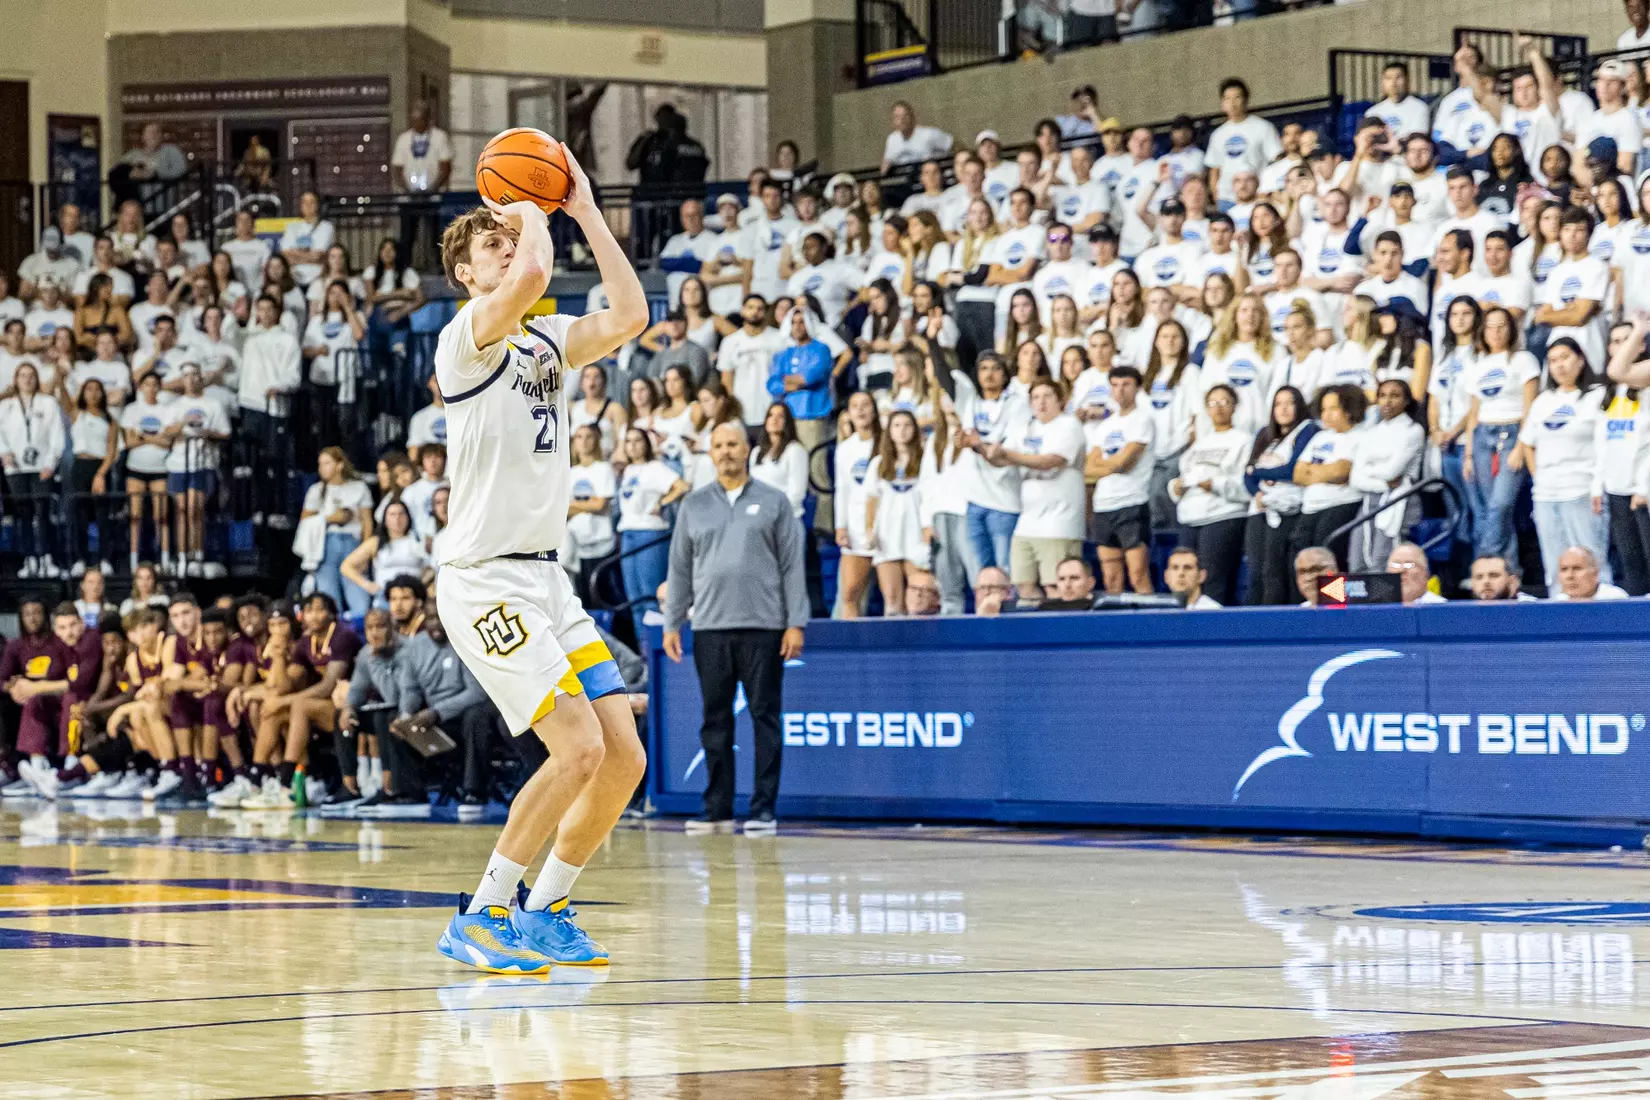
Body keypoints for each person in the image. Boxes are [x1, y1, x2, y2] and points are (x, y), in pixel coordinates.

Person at [663, 422, 806, 835]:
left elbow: (791, 567)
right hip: (709, 627)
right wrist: (673, 621)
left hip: (764, 627)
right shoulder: (693, 504)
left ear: (748, 450)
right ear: (710, 453)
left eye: (733, 444)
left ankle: (763, 809)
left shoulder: (774, 501)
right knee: (715, 720)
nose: (726, 451)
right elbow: (680, 567)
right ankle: (718, 809)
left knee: (765, 717)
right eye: (719, 445)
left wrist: (795, 622)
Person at [1520, 338, 1608, 593]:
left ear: (1581, 359)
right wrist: (1539, 479)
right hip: (1546, 494)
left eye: (1565, 357)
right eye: (1553, 360)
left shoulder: (1597, 396)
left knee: (1591, 563)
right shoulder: (1543, 401)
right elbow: (1527, 442)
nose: (1560, 366)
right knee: (1555, 566)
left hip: (1582, 489)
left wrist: (1597, 486)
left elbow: (1604, 445)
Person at [394, 599, 501, 809]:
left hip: (464, 713)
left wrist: (437, 712)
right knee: (397, 725)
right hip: (435, 717)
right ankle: (412, 794)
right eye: (431, 618)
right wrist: (405, 714)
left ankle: (474, 791)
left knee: (476, 716)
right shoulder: (416, 646)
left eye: (440, 617)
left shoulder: (466, 640)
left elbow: (477, 692)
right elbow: (410, 689)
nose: (436, 623)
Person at [1171, 384, 1253, 606]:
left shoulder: (1244, 440)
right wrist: (1176, 488)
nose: (1219, 408)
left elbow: (1247, 486)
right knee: (1184, 585)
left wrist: (1215, 484)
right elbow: (1183, 476)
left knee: (1213, 585)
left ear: (1234, 406)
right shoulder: (1198, 444)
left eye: (1225, 402)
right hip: (1190, 517)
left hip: (1222, 517)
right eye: (1213, 403)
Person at [1086, 365, 1155, 595]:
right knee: (1111, 578)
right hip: (1103, 505)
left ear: (1137, 388)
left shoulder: (1142, 420)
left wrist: (1105, 466)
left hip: (1131, 504)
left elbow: (1123, 464)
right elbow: (1088, 468)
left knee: (1138, 575)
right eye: (1115, 385)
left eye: (1126, 385)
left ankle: (1151, 627)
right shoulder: (1105, 425)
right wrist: (1110, 466)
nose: (1120, 391)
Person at [1348, 379, 1426, 573]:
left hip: (1401, 499)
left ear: (1407, 400)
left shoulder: (1413, 431)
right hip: (1370, 500)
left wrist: (1370, 470)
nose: (1387, 402)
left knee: (1384, 561)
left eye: (1395, 396)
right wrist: (1383, 482)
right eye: (1382, 396)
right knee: (1357, 560)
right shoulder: (1370, 433)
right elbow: (1355, 477)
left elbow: (1393, 470)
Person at [0, 361, 65, 579]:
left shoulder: (48, 403)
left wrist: (51, 463)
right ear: (16, 380)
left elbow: (57, 434)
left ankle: (46, 558)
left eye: (31, 376)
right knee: (23, 514)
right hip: (15, 467)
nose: (27, 380)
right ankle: (28, 559)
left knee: (42, 513)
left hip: (42, 467)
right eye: (22, 375)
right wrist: (4, 453)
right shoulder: (5, 405)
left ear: (37, 379)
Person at [615, 427, 689, 614]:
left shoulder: (655, 468)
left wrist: (662, 502)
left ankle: (658, 640)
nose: (632, 446)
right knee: (633, 598)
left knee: (651, 595)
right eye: (628, 441)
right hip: (627, 533)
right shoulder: (629, 470)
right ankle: (643, 643)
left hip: (649, 533)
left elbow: (681, 486)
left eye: (637, 440)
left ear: (646, 444)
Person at [1294, 384, 1367, 569]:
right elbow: (1298, 474)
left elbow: (1341, 472)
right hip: (1309, 509)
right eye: (1324, 409)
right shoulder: (1319, 437)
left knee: (1327, 565)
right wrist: (1326, 472)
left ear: (1349, 409)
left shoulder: (1360, 436)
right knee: (1299, 563)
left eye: (1333, 408)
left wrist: (1313, 471)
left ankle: (1333, 599)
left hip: (1340, 506)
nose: (1326, 415)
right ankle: (1308, 599)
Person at [301, 447, 375, 616]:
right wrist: (329, 518)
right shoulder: (316, 490)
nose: (322, 468)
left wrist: (365, 552)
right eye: (320, 464)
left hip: (353, 541)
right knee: (329, 595)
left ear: (340, 464)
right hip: (325, 544)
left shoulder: (359, 487)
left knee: (358, 593)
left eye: (327, 463)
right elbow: (305, 522)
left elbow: (367, 521)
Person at [833, 391, 883, 618]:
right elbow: (841, 489)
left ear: (874, 409)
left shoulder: (886, 442)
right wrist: (840, 526)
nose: (861, 410)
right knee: (850, 593)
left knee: (894, 594)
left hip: (887, 525)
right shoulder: (845, 449)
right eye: (855, 406)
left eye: (865, 405)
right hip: (855, 527)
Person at [340, 498, 430, 609]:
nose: (397, 518)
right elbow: (346, 566)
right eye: (392, 514)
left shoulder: (419, 540)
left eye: (401, 514)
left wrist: (422, 584)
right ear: (385, 519)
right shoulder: (375, 542)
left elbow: (431, 566)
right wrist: (367, 585)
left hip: (413, 597)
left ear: (408, 517)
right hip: (385, 597)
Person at [750, 402, 809, 518]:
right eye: (770, 415)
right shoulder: (756, 452)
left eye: (780, 416)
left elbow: (796, 493)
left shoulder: (795, 450)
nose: (774, 420)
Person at [391, 101, 453, 194]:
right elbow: (397, 169)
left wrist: (433, 189)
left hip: (435, 195)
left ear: (428, 119)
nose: (417, 124)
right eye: (414, 120)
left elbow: (445, 167)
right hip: (409, 196)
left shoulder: (440, 137)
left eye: (420, 120)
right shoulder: (403, 139)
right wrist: (407, 190)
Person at [880, 102, 953, 177]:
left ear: (912, 117)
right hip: (907, 182)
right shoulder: (892, 139)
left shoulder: (928, 134)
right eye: (897, 117)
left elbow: (955, 145)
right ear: (893, 121)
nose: (902, 120)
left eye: (905, 115)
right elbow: (886, 163)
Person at [1549, 545, 1629, 601]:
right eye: (1564, 569)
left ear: (1595, 573)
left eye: (1577, 568)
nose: (1569, 576)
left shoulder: (1615, 598)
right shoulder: (1558, 603)